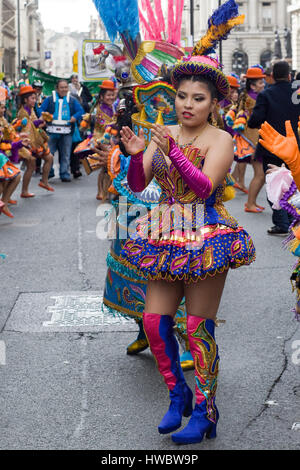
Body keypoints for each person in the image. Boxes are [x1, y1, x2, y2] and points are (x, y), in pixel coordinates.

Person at [118, 48, 256, 444]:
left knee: (198, 329)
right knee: (154, 323)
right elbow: (140, 184)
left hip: (206, 235)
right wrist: (134, 156)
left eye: (198, 98)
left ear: (213, 104)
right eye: (182, 96)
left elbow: (203, 188)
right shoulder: (163, 132)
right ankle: (178, 396)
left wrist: (172, 150)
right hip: (165, 232)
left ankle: (206, 410)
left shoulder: (221, 139)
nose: (187, 104)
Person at [248, 60, 300, 235]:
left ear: (272, 77)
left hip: (271, 145)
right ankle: (294, 218)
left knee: (274, 181)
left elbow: (255, 120)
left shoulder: (266, 95)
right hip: (292, 145)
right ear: (289, 76)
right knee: (294, 182)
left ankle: (282, 223)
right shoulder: (296, 94)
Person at [229, 66, 266, 212]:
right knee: (260, 174)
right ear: (252, 85)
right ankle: (250, 204)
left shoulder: (247, 96)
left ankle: (251, 202)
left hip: (249, 139)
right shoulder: (255, 98)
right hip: (253, 140)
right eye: (261, 82)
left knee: (260, 174)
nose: (263, 85)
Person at [38, 79, 84, 182]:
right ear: (57, 88)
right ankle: (49, 172)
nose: (64, 89)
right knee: (49, 153)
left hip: (67, 131)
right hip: (51, 131)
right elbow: (40, 109)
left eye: (65, 87)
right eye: (61, 87)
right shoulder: (50, 99)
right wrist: (45, 115)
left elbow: (80, 110)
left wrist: (75, 117)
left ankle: (64, 173)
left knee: (66, 154)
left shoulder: (72, 100)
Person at [17, 85, 54, 196]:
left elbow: (33, 123)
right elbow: (28, 127)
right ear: (25, 100)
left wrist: (40, 122)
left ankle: (44, 181)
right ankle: (24, 191)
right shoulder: (23, 112)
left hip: (34, 141)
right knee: (31, 165)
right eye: (32, 98)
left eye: (35, 98)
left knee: (49, 158)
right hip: (27, 142)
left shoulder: (31, 109)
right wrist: (40, 121)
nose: (34, 100)